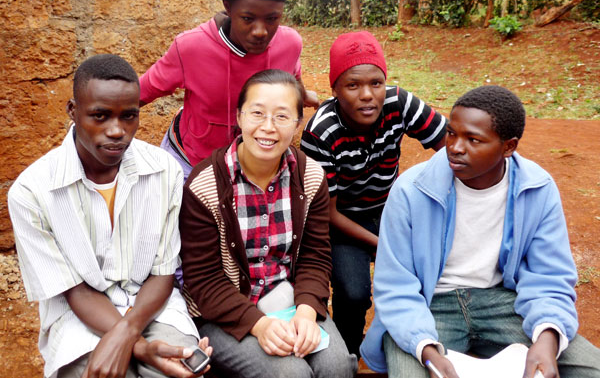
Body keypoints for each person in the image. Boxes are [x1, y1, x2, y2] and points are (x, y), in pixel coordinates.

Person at [360, 86, 600, 377]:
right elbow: (395, 286)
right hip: (428, 306)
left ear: (508, 147)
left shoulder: (537, 188)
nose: (455, 147)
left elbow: (549, 276)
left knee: (592, 369)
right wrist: (426, 350)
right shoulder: (411, 190)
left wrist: (547, 339)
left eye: (473, 139)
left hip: (504, 302)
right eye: (452, 133)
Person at [7, 54, 211, 378]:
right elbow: (75, 290)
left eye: (129, 116)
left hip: (154, 309)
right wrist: (138, 346)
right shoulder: (32, 192)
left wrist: (128, 334)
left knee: (181, 367)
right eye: (100, 116)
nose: (117, 131)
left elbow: (163, 274)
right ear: (73, 111)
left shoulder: (165, 171)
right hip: (78, 318)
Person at [178, 69, 357, 378]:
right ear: (239, 116)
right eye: (257, 113)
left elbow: (315, 256)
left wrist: (306, 312)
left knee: (337, 366)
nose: (268, 127)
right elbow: (204, 279)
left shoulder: (310, 177)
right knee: (290, 375)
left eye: (282, 116)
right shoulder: (205, 186)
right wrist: (259, 325)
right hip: (223, 313)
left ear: (298, 124)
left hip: (289, 300)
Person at [300, 31, 447, 356]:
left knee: (431, 274)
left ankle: (421, 342)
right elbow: (327, 213)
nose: (367, 95)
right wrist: (384, 245)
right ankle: (348, 354)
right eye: (353, 85)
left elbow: (453, 148)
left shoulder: (400, 103)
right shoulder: (321, 132)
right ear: (335, 89)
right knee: (353, 293)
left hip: (391, 208)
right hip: (341, 220)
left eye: (376, 83)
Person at [139, 0, 318, 181]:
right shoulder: (191, 48)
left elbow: (292, 76)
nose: (260, 31)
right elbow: (141, 92)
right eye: (248, 18)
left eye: (272, 19)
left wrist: (304, 95)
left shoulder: (290, 44)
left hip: (254, 166)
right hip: (193, 162)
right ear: (228, 7)